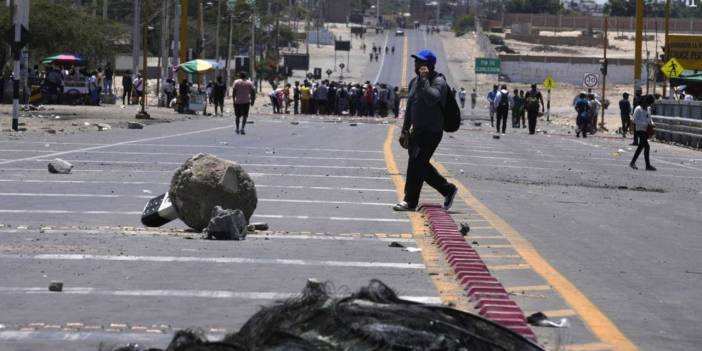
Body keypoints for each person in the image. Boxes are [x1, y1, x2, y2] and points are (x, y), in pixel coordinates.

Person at [393, 49, 457, 212]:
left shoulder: (438, 82)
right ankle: (447, 189)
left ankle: (410, 201)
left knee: (415, 164)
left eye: (420, 62)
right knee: (420, 164)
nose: (416, 64)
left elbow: (432, 98)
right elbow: (410, 107)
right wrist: (405, 129)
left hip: (431, 132)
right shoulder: (414, 82)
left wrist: (424, 81)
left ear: (429, 65)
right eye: (416, 61)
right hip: (417, 131)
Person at [630, 95, 656, 171]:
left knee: (641, 146)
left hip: (646, 131)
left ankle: (633, 162)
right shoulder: (638, 109)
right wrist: (644, 124)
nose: (648, 105)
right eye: (647, 103)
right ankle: (647, 165)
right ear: (644, 101)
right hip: (639, 130)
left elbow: (650, 119)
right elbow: (634, 120)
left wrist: (652, 123)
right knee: (646, 146)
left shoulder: (648, 109)